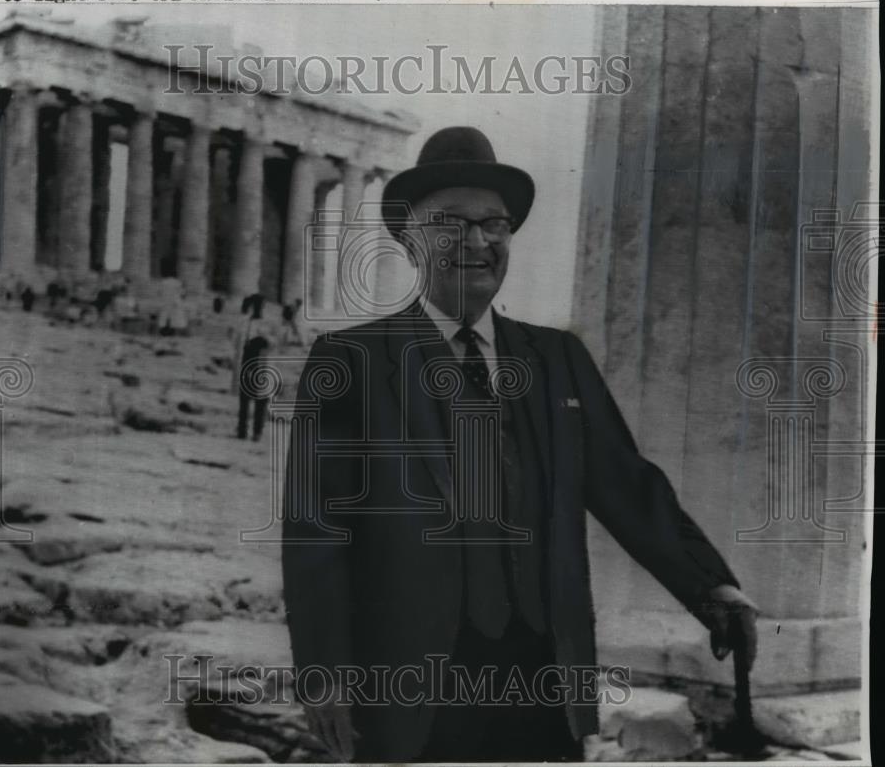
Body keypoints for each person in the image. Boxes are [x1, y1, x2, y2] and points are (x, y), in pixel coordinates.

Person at [282, 127, 759, 763]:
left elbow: (627, 484)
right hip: (407, 681)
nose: (477, 242)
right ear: (408, 240)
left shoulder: (558, 357)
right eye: (450, 224)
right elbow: (316, 535)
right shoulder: (350, 360)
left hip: (543, 676)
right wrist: (323, 674)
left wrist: (711, 588)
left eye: (494, 225)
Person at [233, 295, 278, 441]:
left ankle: (257, 431)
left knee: (261, 399)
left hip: (262, 361)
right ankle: (242, 429)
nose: (258, 308)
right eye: (256, 305)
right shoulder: (244, 322)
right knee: (244, 397)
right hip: (247, 359)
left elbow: (276, 341)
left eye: (261, 305)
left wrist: (265, 338)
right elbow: (237, 340)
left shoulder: (269, 322)